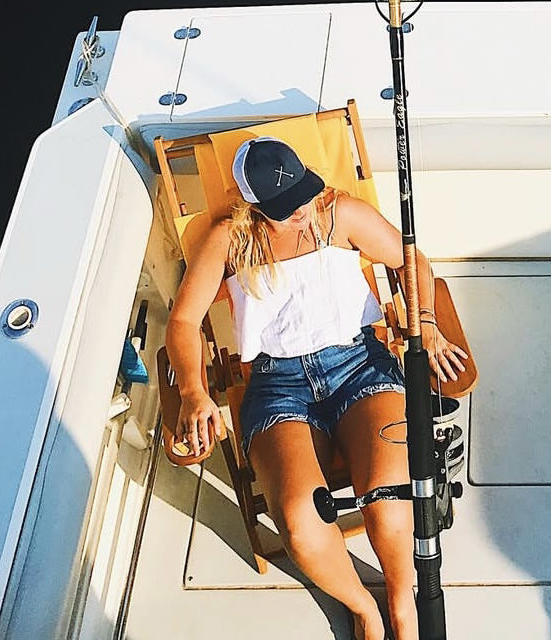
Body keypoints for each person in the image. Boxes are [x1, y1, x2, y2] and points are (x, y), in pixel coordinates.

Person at [165, 135, 468, 640]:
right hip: (277, 383)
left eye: (305, 195)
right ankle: (362, 607)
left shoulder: (338, 214)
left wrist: (427, 322)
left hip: (360, 364)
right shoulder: (229, 240)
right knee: (301, 525)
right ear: (254, 209)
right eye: (286, 210)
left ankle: (400, 602)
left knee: (391, 498)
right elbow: (182, 322)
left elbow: (411, 261)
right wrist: (196, 392)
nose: (303, 213)